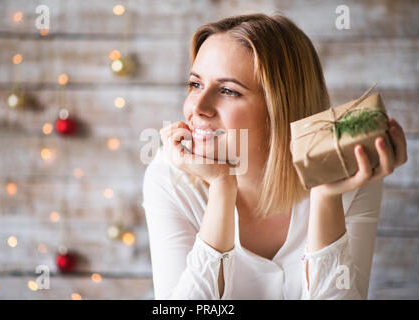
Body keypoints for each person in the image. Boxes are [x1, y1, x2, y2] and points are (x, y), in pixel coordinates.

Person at [141, 13, 408, 300]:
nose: (198, 107)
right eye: (195, 84)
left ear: (279, 109)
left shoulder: (351, 171)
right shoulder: (170, 177)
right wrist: (221, 187)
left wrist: (326, 197)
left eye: (228, 90)